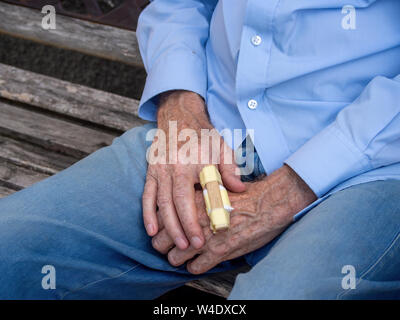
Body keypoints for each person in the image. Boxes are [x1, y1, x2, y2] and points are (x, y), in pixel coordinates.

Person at [1, 0, 400, 299]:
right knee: (9, 249)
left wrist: (285, 195)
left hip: (368, 166)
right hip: (214, 127)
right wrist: (180, 107)